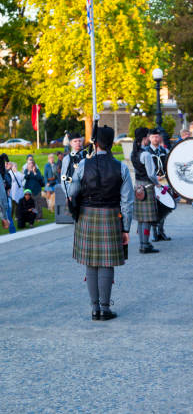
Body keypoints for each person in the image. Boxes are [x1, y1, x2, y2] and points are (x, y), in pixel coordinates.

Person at [68, 125, 133, 320]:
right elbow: (127, 202)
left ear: (94, 143)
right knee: (107, 263)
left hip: (87, 216)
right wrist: (126, 227)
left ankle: (94, 308)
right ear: (112, 143)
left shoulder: (82, 166)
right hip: (111, 216)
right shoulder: (121, 167)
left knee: (91, 262)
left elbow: (72, 193)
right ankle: (105, 309)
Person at [131, 127, 162, 253]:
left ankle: (142, 243)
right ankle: (145, 244)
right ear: (144, 139)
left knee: (140, 218)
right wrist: (157, 183)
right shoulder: (146, 154)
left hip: (138, 186)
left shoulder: (132, 153)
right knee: (147, 220)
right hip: (147, 187)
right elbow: (151, 174)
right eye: (148, 137)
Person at [146, 128, 171, 242]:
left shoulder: (164, 151)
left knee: (164, 207)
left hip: (164, 182)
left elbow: (169, 165)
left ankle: (161, 231)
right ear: (149, 138)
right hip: (153, 183)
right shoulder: (146, 152)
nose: (155, 139)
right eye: (153, 137)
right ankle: (155, 233)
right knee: (154, 208)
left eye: (157, 136)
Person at [61, 133, 85, 197]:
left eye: (79, 141)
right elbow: (64, 178)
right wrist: (67, 195)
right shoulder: (67, 159)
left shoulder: (87, 156)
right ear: (71, 143)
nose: (78, 143)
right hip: (73, 193)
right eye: (75, 141)